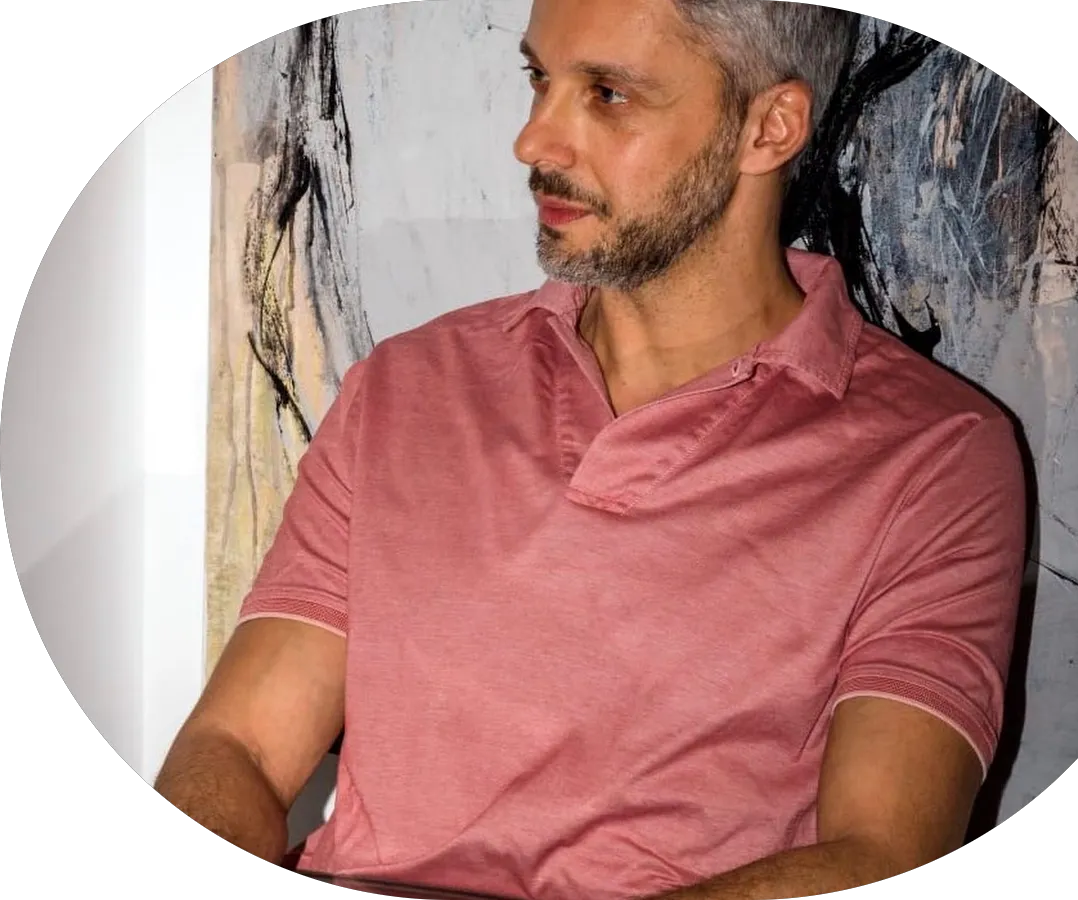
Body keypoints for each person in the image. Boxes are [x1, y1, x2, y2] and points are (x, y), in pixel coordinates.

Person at [155, 2, 1029, 898]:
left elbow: (882, 852)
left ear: (770, 127)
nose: (534, 140)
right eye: (539, 79)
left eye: (609, 94)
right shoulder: (407, 385)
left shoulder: (933, 455)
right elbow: (240, 745)